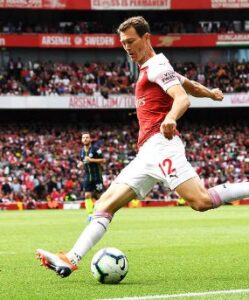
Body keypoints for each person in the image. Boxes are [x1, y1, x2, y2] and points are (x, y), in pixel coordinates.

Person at [36, 16, 249, 278]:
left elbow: (182, 98)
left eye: (131, 41)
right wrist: (211, 93)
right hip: (146, 153)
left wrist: (170, 118)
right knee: (104, 204)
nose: (126, 47)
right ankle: (71, 258)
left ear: (146, 38)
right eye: (123, 42)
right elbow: (188, 85)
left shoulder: (157, 65)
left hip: (161, 146)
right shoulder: (153, 68)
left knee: (201, 201)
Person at [78, 132, 106, 222]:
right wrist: (80, 164)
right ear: (82, 140)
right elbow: (83, 162)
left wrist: (91, 160)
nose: (85, 139)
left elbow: (103, 160)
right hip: (87, 177)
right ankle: (90, 214)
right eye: (83, 138)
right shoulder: (81, 151)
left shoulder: (95, 149)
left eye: (87, 137)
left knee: (99, 196)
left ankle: (102, 212)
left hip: (97, 176)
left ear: (90, 139)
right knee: (87, 195)